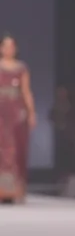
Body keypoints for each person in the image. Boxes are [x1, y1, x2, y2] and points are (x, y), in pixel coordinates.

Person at [0, 34, 36, 203]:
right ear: (1, 49)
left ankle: (15, 190)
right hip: (1, 112)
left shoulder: (21, 68)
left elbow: (26, 91)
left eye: (12, 46)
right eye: (6, 46)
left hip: (16, 112)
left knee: (17, 149)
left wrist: (31, 112)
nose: (9, 49)